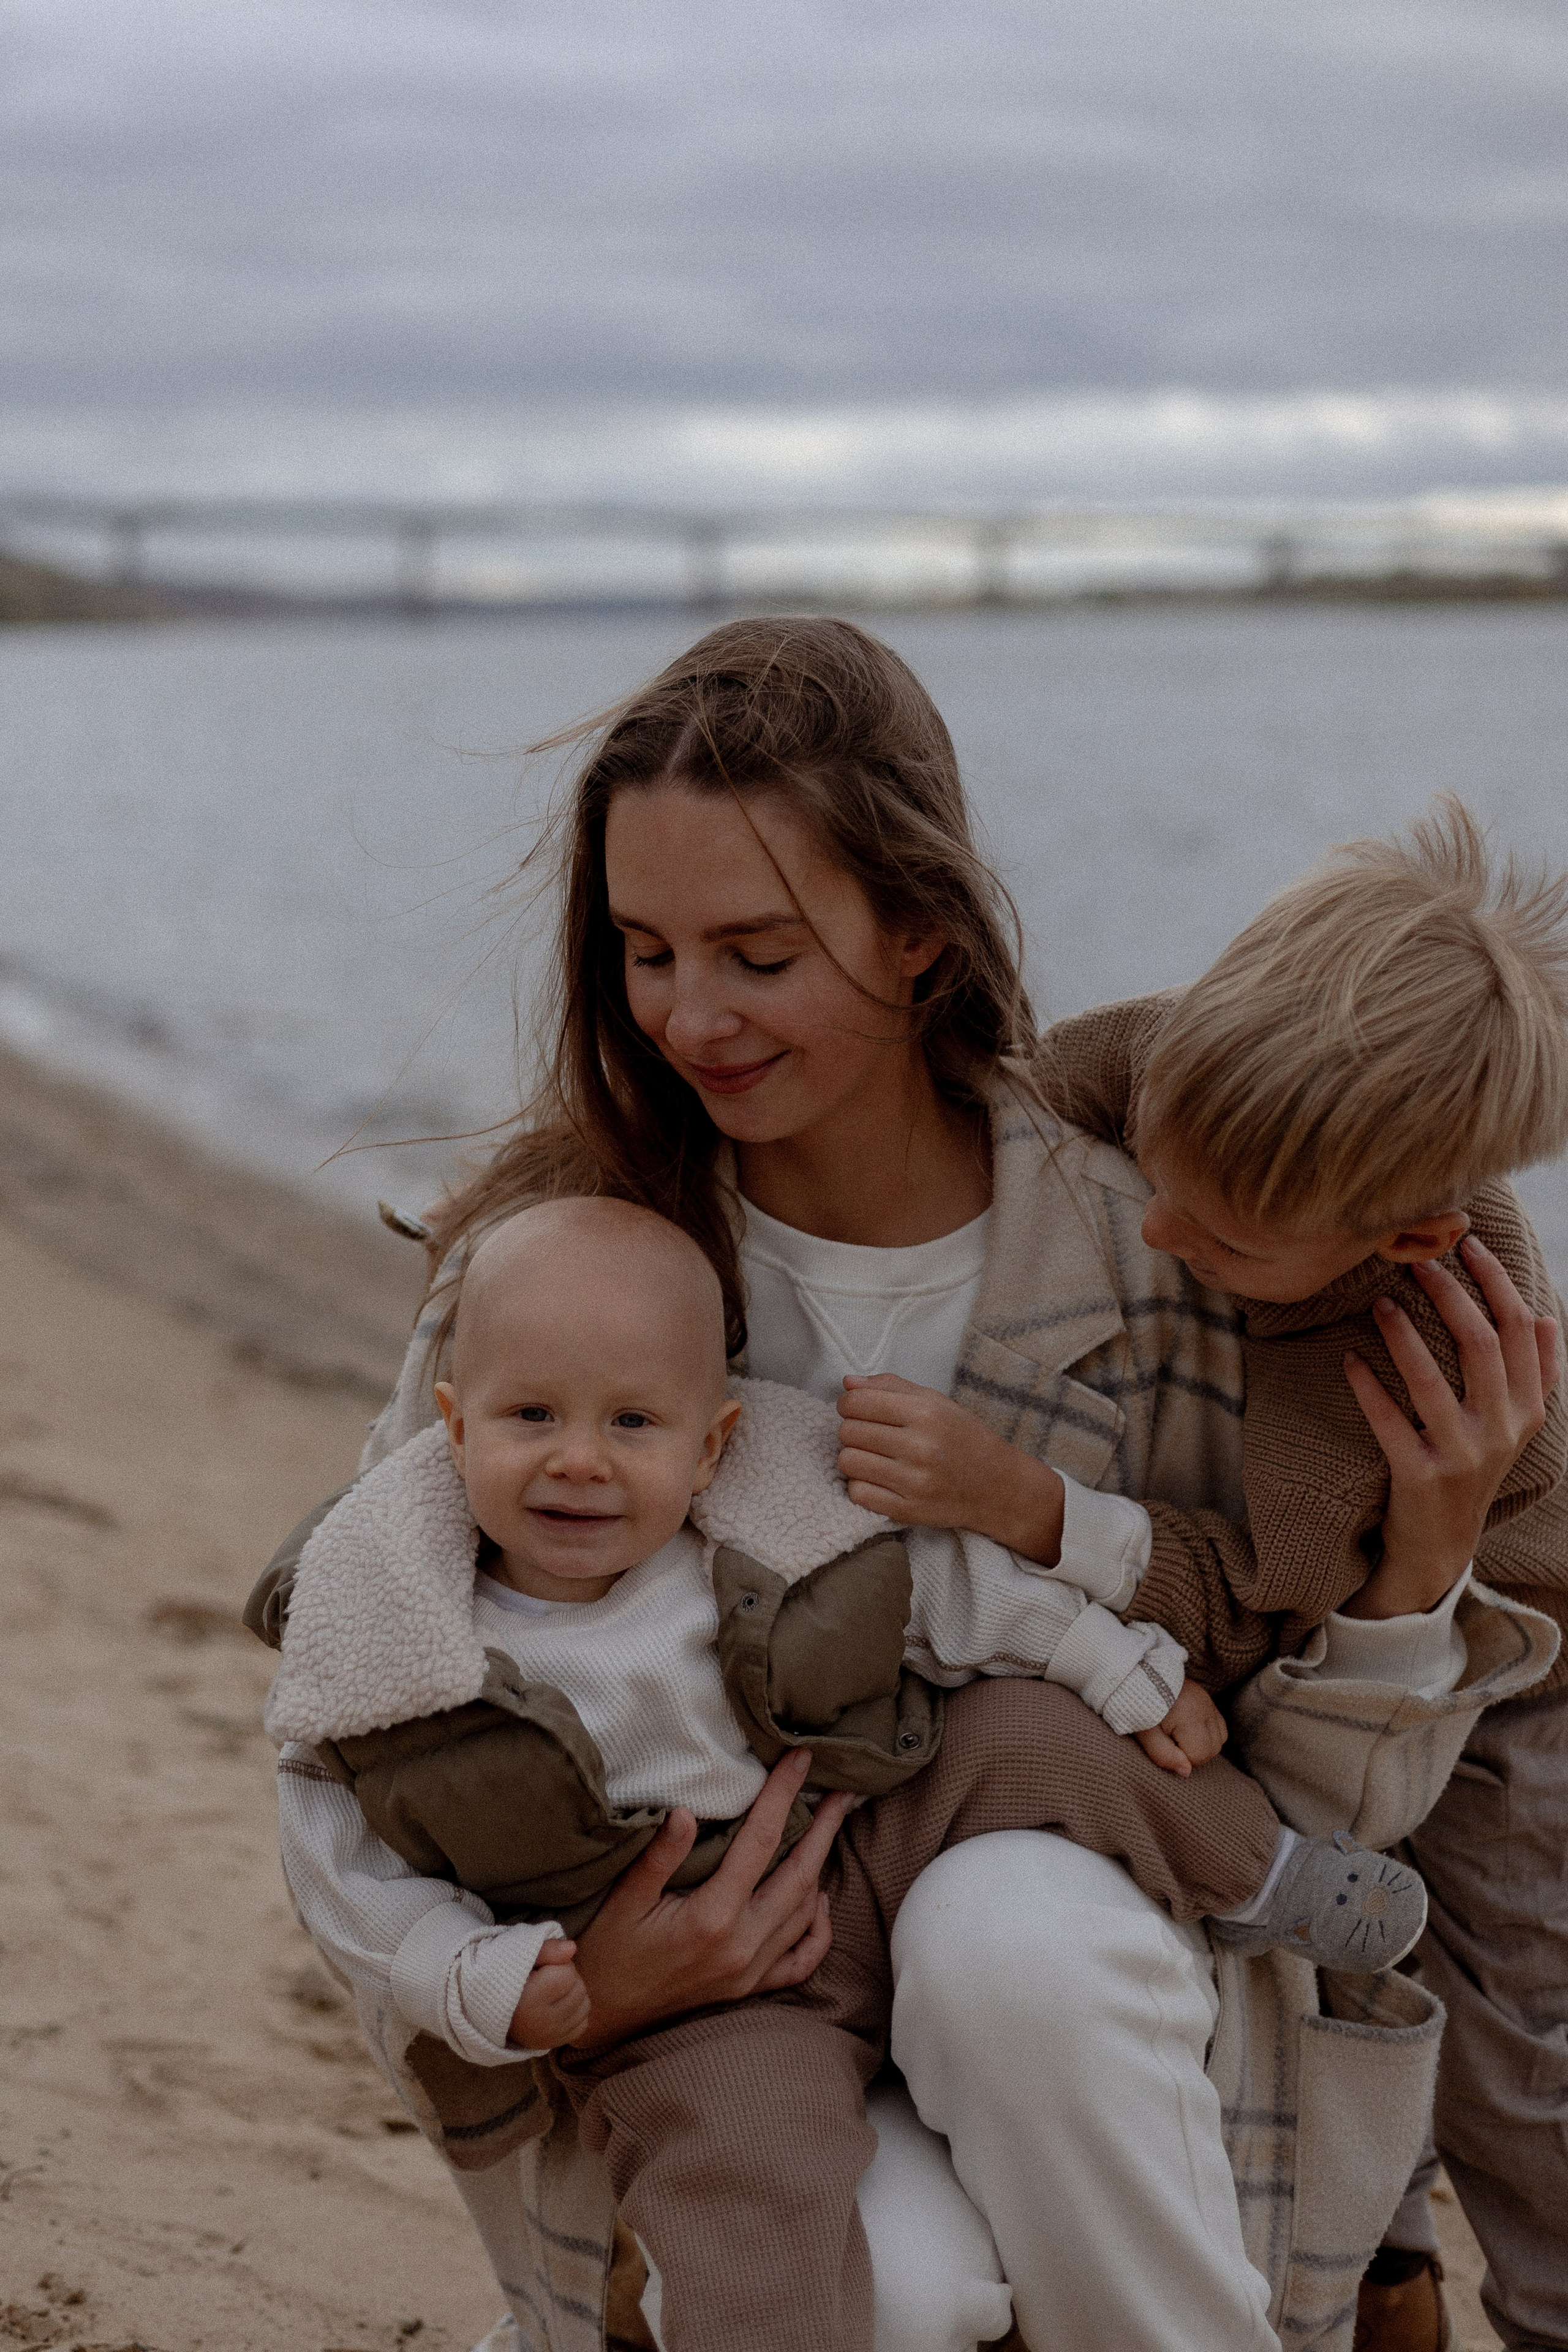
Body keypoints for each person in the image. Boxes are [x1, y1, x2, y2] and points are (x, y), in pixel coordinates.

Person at [254, 619, 1556, 2352]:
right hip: (723, 2027)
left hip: (1119, 2025)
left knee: (1005, 1928)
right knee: (889, 2294)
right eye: (645, 951)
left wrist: (1420, 1568)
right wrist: (577, 1989)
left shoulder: (1178, 1250)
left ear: (919, 930)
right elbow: (361, 1716)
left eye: (759, 954)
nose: (690, 1016)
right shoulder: (551, 1283)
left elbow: (1327, 1821)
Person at [259, 1194, 1428, 2352]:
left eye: (632, 1424)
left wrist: (1115, 1665)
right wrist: (477, 1976)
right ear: (454, 1428)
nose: (579, 1461)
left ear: (710, 1446)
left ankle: (1261, 1874)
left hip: (870, 1827)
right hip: (709, 2001)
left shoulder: (759, 1521)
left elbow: (944, 1592)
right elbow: (341, 1861)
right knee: (746, 2196)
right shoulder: (402, 1638)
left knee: (1027, 1729)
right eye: (531, 1416)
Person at [1036, 799, 1568, 2352]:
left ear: (1398, 1241)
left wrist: (1035, 1519)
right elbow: (1006, 1095)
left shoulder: (1392, 1354)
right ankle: (1386, 2272)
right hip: (1349, 1631)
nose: (1157, 1224)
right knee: (1331, 1943)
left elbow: (1261, 1597)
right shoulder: (1175, 1064)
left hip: (1515, 1660)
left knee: (1513, 2038)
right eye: (1156, 1167)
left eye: (1221, 1240)